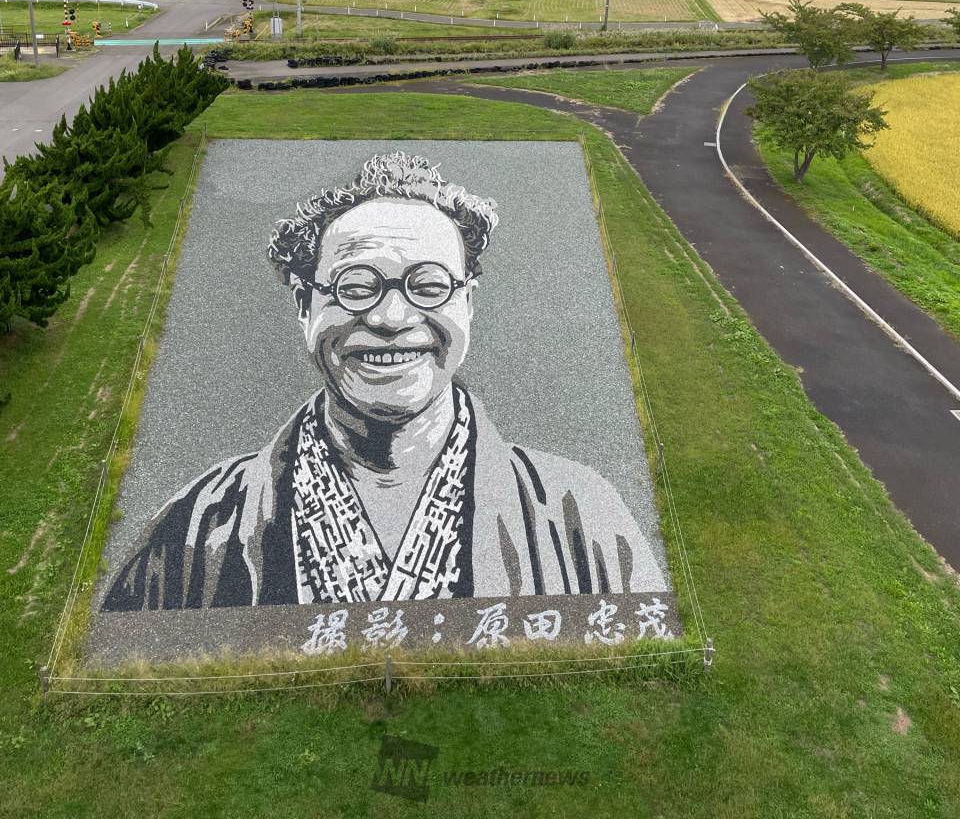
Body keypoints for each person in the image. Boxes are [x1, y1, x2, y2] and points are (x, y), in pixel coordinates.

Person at [103, 151, 666, 610]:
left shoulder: (580, 514)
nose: (391, 319)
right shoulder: (197, 524)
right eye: (355, 286)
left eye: (428, 286)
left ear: (468, 303)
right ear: (305, 304)